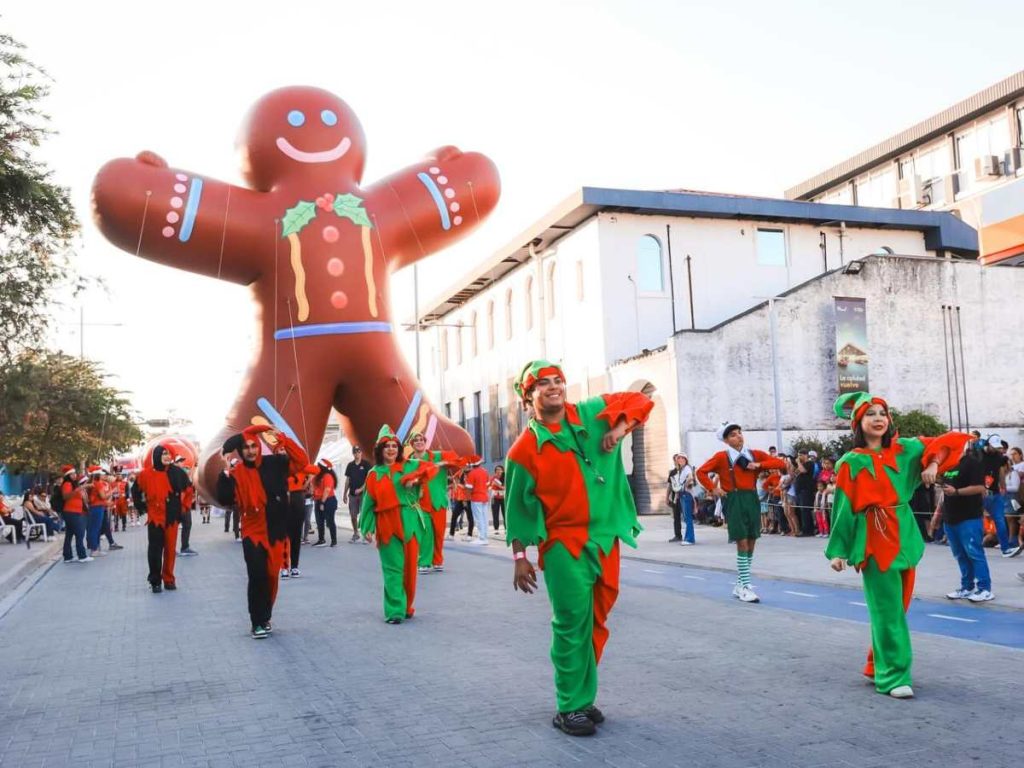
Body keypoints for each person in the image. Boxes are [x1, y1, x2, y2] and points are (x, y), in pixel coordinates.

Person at [506, 360, 653, 737]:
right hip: (563, 545)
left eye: (558, 380)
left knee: (596, 621)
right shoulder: (523, 451)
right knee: (572, 623)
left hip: (605, 538)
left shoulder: (592, 413)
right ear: (528, 397)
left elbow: (640, 399)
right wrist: (520, 558)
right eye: (543, 383)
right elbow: (518, 510)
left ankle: (582, 696)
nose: (553, 386)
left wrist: (619, 429)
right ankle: (569, 706)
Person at [825, 392, 969, 699]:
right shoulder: (850, 463)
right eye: (870, 414)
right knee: (888, 611)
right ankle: (893, 676)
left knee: (896, 610)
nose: (878, 418)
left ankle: (875, 663)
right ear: (858, 423)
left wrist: (933, 463)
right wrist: (838, 550)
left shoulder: (906, 449)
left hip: (904, 537)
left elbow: (951, 441)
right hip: (874, 541)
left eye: (882, 413)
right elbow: (843, 508)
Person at [216, 425, 309, 639]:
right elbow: (225, 498)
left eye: (253, 446)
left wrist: (282, 438)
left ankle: (265, 616)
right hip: (253, 531)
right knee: (257, 575)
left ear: (259, 446)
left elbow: (302, 461)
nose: (250, 451)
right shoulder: (236, 472)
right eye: (246, 447)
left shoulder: (274, 463)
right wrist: (225, 472)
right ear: (241, 451)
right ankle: (256, 621)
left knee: (272, 576)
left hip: (276, 530)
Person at [696, 423, 786, 603]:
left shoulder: (753, 454)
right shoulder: (722, 457)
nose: (738, 436)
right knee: (742, 541)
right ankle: (745, 585)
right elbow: (701, 472)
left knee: (752, 540)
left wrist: (759, 464)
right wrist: (713, 488)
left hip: (752, 498)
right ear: (726, 440)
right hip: (734, 499)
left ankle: (740, 583)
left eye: (739, 433)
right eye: (733, 435)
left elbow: (780, 463)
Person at [358, 425, 437, 623]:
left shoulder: (410, 465)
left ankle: (406, 605)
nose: (391, 449)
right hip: (387, 524)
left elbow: (431, 469)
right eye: (387, 446)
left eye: (394, 446)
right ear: (380, 450)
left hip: (410, 522)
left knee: (410, 570)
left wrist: (414, 479)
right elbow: (368, 503)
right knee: (393, 569)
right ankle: (395, 610)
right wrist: (367, 527)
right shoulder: (373, 474)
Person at [939, 438, 995, 601]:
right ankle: (967, 587)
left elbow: (980, 487)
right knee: (960, 555)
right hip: (950, 517)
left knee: (974, 553)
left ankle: (985, 588)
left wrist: (956, 492)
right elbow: (944, 488)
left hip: (969, 517)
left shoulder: (972, 463)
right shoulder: (947, 465)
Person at [136, 446, 190, 592]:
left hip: (172, 518)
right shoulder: (146, 474)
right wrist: (142, 507)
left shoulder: (178, 472)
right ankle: (155, 581)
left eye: (169, 454)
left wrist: (183, 508)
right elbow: (136, 490)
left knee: (170, 550)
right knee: (155, 550)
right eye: (164, 453)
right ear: (157, 455)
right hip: (155, 518)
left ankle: (169, 579)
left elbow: (189, 489)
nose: (167, 456)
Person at [404, 432, 459, 573]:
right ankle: (424, 562)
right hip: (419, 503)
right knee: (425, 532)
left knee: (439, 533)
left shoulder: (437, 456)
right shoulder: (409, 462)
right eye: (415, 440)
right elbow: (403, 479)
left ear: (425, 442)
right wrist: (410, 483)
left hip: (438, 501)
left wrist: (444, 463)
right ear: (412, 444)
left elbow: (456, 459)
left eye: (421, 439)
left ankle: (437, 560)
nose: (419, 442)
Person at [980, 434, 1016, 556]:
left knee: (1000, 520)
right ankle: (974, 547)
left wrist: (1003, 486)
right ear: (987, 444)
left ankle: (1005, 548)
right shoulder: (978, 455)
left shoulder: (999, 456)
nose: (996, 449)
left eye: (997, 447)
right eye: (993, 447)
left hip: (995, 493)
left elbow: (1000, 471)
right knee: (977, 520)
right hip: (979, 492)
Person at [59, 466, 91, 562]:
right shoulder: (67, 484)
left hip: (74, 512)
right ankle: (82, 556)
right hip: (72, 512)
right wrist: (78, 489)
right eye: (72, 474)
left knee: (69, 535)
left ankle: (67, 556)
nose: (75, 475)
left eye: (75, 473)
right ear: (68, 475)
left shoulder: (73, 484)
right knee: (79, 534)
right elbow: (66, 496)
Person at [342, 447, 372, 544]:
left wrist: (361, 489)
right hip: (352, 495)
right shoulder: (350, 465)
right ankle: (356, 533)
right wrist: (344, 494)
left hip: (363, 494)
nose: (357, 454)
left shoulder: (366, 464)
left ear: (361, 453)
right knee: (353, 515)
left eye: (358, 452)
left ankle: (366, 534)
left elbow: (369, 479)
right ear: (353, 454)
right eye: (355, 452)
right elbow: (347, 480)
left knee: (364, 515)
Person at [667, 454, 695, 545]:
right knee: (686, 518)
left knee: (688, 518)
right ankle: (688, 538)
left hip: (686, 494)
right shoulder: (681, 470)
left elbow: (690, 478)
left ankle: (689, 539)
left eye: (682, 458)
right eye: (679, 458)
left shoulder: (687, 468)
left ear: (686, 460)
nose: (680, 460)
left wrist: (683, 486)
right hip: (682, 495)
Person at [312, 459, 339, 547]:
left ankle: (334, 541)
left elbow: (327, 490)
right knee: (319, 521)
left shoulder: (327, 476)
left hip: (328, 501)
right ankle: (321, 540)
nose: (317, 466)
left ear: (322, 467)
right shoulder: (317, 476)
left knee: (330, 521)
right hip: (319, 500)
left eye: (318, 465)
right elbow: (315, 488)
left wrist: (322, 503)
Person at [85, 465, 110, 557]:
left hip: (93, 507)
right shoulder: (98, 483)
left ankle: (95, 548)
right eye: (101, 474)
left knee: (93, 528)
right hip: (98, 507)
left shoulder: (91, 483)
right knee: (96, 529)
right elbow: (103, 496)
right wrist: (111, 492)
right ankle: (94, 549)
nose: (103, 475)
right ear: (98, 474)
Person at [464, 457, 490, 545]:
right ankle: (485, 537)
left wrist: (466, 499)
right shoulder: (485, 472)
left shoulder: (471, 473)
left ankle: (481, 538)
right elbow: (487, 485)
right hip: (485, 497)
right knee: (485, 517)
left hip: (476, 498)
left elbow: (469, 488)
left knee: (479, 518)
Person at [175, 457, 198, 556]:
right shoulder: (176, 474)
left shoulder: (182, 474)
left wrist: (194, 466)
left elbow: (190, 476)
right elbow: (181, 493)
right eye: (179, 461)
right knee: (176, 528)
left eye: (182, 461)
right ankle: (181, 548)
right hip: (181, 507)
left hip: (184, 506)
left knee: (186, 525)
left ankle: (183, 547)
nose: (182, 463)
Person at [489, 464, 506, 536]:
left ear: (503, 470)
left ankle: (506, 528)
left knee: (505, 513)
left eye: (500, 469)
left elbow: (505, 487)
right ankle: (496, 529)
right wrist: (493, 485)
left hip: (503, 497)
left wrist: (499, 485)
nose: (498, 471)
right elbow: (489, 485)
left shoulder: (505, 478)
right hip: (494, 497)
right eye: (497, 470)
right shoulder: (493, 477)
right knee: (495, 513)